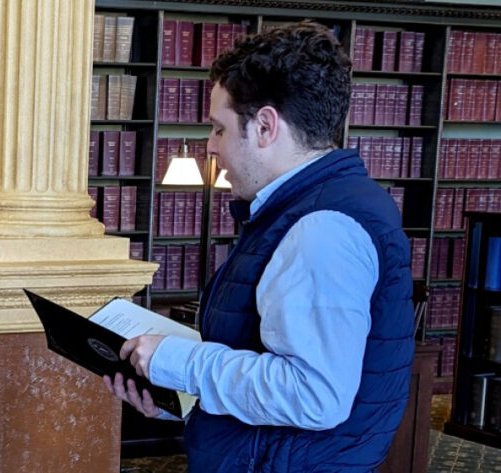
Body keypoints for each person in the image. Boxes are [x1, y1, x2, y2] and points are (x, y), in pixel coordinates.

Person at [104, 21, 414, 472]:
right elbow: (267, 370)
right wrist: (177, 396)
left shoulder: (322, 228)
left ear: (265, 126)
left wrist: (179, 361)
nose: (211, 148)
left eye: (219, 129)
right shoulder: (311, 208)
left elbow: (313, 396)